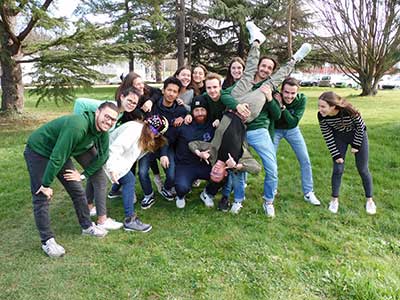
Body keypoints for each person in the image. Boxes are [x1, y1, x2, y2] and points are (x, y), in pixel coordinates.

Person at [221, 21, 312, 217]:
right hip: (237, 125)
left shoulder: (271, 85)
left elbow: (278, 112)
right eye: (264, 65)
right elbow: (225, 96)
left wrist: (270, 98)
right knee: (236, 163)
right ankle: (238, 199)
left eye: (269, 67)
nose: (266, 69)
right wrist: (237, 105)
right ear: (259, 66)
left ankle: (268, 200)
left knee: (271, 167)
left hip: (257, 129)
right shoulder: (245, 79)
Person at [24, 102, 118, 257]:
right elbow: (57, 156)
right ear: (97, 113)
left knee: (77, 189)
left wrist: (83, 175)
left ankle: (87, 227)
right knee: (41, 195)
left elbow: (104, 156)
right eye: (106, 116)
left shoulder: (102, 132)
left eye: (113, 120)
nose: (109, 121)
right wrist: (46, 184)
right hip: (39, 150)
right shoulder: (78, 126)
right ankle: (47, 241)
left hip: (60, 153)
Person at [73, 87, 141, 230]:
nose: (132, 104)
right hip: (84, 143)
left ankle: (89, 207)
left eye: (135, 103)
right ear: (122, 97)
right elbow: (80, 102)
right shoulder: (111, 106)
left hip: (95, 146)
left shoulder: (120, 114)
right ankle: (103, 219)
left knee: (96, 175)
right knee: (102, 178)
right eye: (129, 100)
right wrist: (80, 128)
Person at [188, 110, 262, 214]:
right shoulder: (238, 158)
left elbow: (192, 144)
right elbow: (257, 168)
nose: (215, 170)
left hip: (229, 113)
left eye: (213, 172)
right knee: (237, 176)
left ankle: (216, 195)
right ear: (225, 173)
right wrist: (237, 165)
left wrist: (200, 153)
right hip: (245, 116)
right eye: (217, 174)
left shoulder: (212, 153)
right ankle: (235, 199)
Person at [103, 115, 168, 232]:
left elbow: (133, 155)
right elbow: (115, 149)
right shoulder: (134, 131)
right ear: (146, 123)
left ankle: (113, 192)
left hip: (115, 157)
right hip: (107, 155)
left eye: (155, 132)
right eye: (150, 128)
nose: (151, 132)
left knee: (102, 179)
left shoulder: (143, 133)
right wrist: (112, 168)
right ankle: (130, 220)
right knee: (129, 180)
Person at [317, 91, 376, 215]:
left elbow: (361, 127)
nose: (320, 109)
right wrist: (336, 154)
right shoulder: (322, 116)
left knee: (363, 169)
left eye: (323, 106)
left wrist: (356, 144)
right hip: (339, 138)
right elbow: (327, 135)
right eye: (319, 106)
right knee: (338, 169)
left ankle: (369, 200)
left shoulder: (349, 110)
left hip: (358, 135)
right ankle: (334, 200)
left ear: (333, 106)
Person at [138, 77, 187, 209]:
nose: (171, 93)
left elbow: (170, 136)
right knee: (142, 172)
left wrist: (185, 116)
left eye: (175, 91)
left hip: (166, 145)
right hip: (149, 145)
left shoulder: (180, 110)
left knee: (171, 175)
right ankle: (148, 195)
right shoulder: (152, 106)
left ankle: (166, 188)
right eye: (169, 90)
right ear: (163, 90)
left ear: (178, 94)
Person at [273, 77, 321, 205]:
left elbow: (293, 121)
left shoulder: (301, 99)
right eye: (286, 92)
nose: (289, 96)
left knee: (305, 159)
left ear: (297, 92)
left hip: (293, 130)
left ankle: (308, 192)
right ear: (281, 91)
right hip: (275, 130)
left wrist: (283, 107)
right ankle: (272, 189)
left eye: (293, 93)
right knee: (271, 160)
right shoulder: (274, 97)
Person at [115, 72, 164, 194]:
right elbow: (131, 113)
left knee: (146, 160)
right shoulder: (127, 99)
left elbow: (158, 92)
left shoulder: (145, 90)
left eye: (142, 83)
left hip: (147, 133)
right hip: (132, 135)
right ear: (130, 87)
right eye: (138, 85)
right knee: (130, 163)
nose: (142, 86)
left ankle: (157, 181)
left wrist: (150, 101)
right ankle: (126, 190)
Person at [168, 97, 220, 208]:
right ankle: (181, 195)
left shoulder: (213, 125)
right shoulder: (184, 124)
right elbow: (168, 140)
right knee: (182, 188)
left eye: (202, 110)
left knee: (222, 175)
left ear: (207, 111)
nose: (200, 113)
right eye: (196, 110)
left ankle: (207, 193)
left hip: (205, 164)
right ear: (192, 111)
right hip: (186, 165)